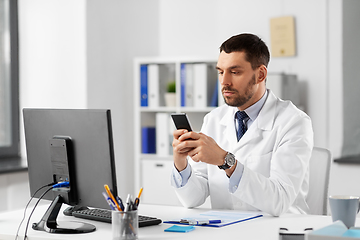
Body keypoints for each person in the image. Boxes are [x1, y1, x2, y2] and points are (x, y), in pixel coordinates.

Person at [170, 33, 314, 216]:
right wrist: (181, 163)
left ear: (260, 74)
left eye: (235, 72)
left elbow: (280, 200)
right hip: (227, 230)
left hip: (277, 230)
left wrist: (225, 161)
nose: (224, 81)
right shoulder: (213, 119)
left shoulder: (294, 122)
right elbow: (192, 199)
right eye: (221, 72)